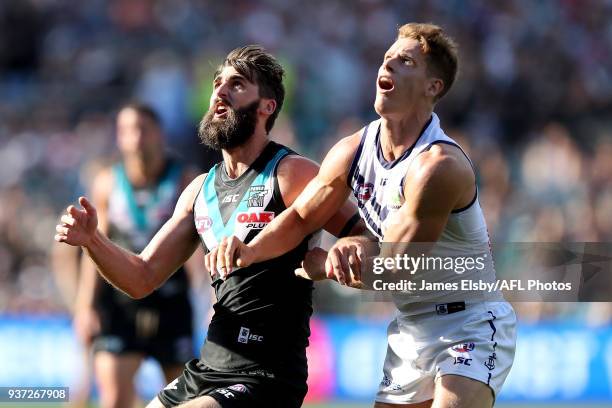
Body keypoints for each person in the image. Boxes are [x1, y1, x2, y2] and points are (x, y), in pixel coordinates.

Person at [208, 23, 517, 408]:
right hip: (411, 327)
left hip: (469, 322)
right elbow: (303, 216)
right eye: (387, 57)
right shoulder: (353, 149)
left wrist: (327, 267)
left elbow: (401, 269)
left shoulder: (437, 166)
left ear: (432, 87)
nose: (387, 64)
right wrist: (251, 251)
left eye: (405, 61)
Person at [55, 45, 363, 408]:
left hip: (266, 374)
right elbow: (140, 278)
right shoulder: (198, 191)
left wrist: (341, 253)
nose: (219, 92)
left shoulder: (292, 173)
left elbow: (362, 234)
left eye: (236, 85)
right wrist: (93, 241)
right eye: (218, 83)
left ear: (267, 106)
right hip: (207, 369)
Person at [61, 103, 208, 408]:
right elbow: (94, 248)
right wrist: (85, 306)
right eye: (128, 130)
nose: (136, 137)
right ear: (119, 138)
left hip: (172, 301)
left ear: (159, 134)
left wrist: (206, 299)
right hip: (119, 304)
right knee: (113, 397)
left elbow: (199, 245)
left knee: (185, 400)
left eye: (143, 129)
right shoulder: (107, 183)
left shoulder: (186, 180)